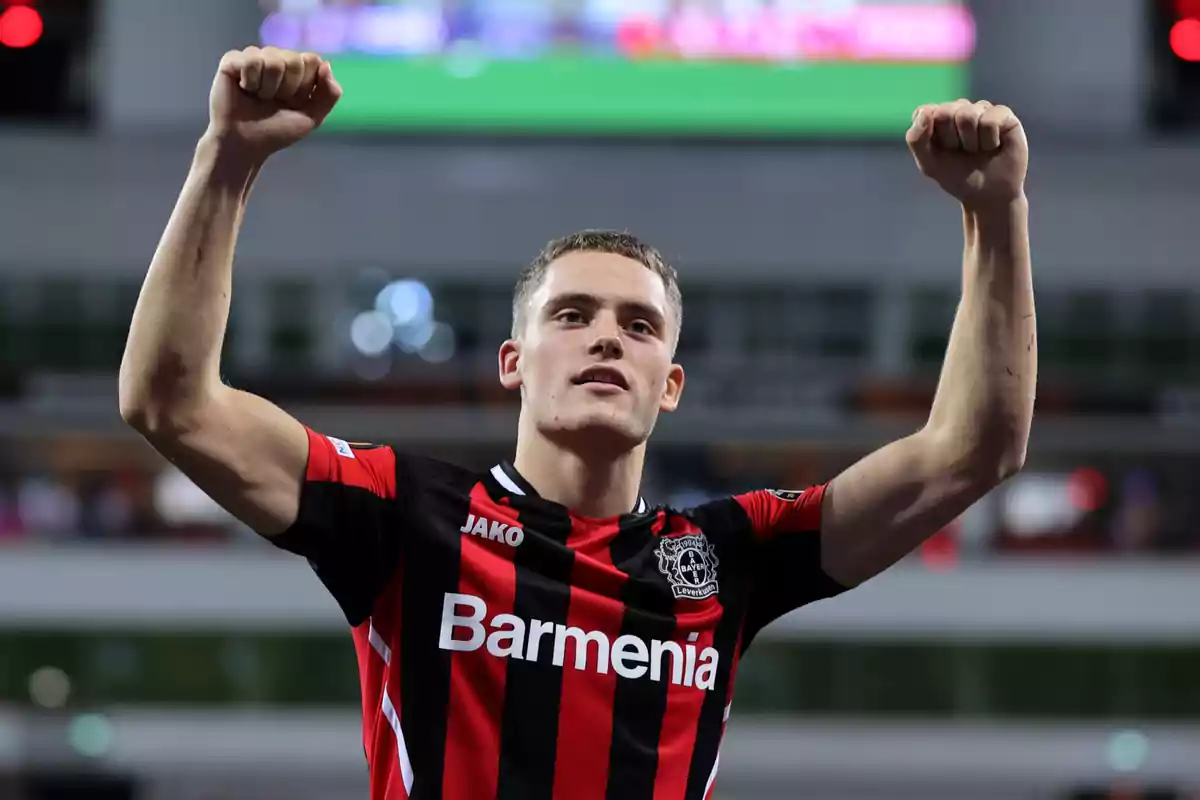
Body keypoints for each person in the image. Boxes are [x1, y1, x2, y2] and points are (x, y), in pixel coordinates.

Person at [119, 46, 1036, 800]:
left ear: (668, 384)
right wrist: (229, 158)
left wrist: (995, 214)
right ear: (514, 365)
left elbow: (973, 449)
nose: (606, 340)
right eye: (572, 316)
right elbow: (169, 400)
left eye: (638, 327)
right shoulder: (404, 513)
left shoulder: (729, 558)